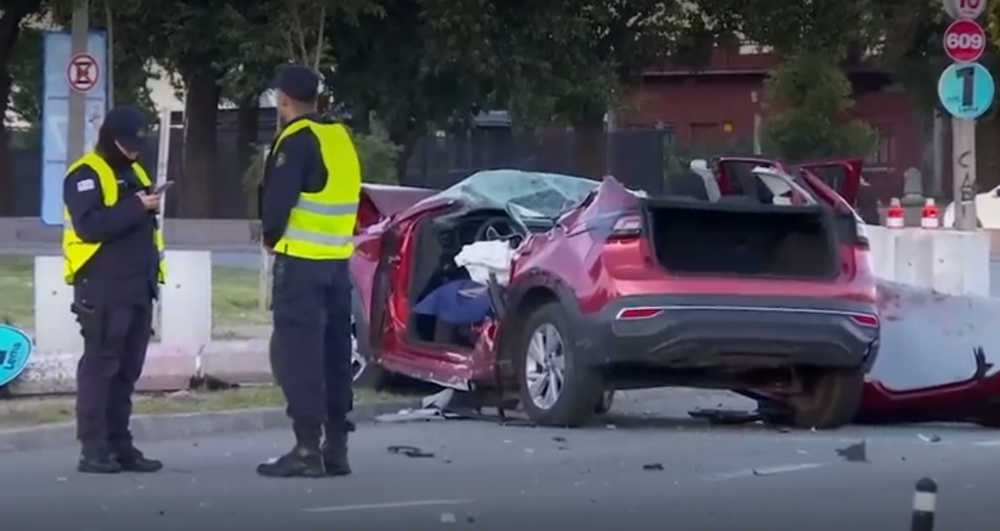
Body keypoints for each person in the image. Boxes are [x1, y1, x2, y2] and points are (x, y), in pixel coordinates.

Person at [255, 65, 361, 478]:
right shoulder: (339, 137)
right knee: (335, 356)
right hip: (337, 265)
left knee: (299, 356)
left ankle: (305, 449)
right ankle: (336, 446)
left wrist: (269, 235)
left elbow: (277, 204)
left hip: (300, 264)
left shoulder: (295, 141)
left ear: (284, 100)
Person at [62, 106, 166, 474]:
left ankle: (120, 445)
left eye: (138, 143)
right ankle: (93, 448)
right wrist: (137, 205)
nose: (135, 151)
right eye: (128, 144)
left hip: (138, 286)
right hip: (102, 286)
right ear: (111, 138)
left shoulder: (135, 171)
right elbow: (90, 226)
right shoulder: (85, 175)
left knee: (126, 372)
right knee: (101, 367)